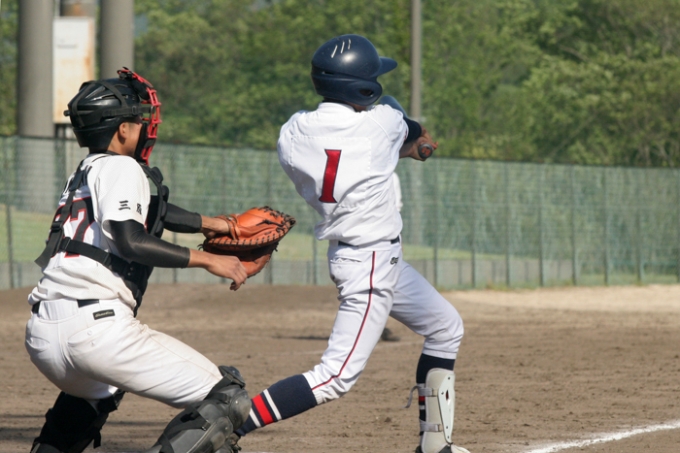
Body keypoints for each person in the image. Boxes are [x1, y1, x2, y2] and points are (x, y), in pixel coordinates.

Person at [234, 35, 469, 453]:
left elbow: (351, 153)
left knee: (445, 327)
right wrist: (416, 141)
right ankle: (231, 422)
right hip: (370, 262)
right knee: (334, 377)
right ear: (362, 88)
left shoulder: (293, 131)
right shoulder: (384, 123)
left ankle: (436, 446)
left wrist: (397, 147)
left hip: (367, 256)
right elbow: (409, 129)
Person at [25, 69, 251, 453]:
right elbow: (130, 239)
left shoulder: (84, 172)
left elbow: (152, 211)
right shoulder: (123, 166)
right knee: (227, 398)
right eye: (138, 119)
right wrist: (209, 260)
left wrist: (215, 224)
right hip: (97, 332)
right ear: (122, 131)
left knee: (95, 395)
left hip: (44, 336)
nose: (145, 127)